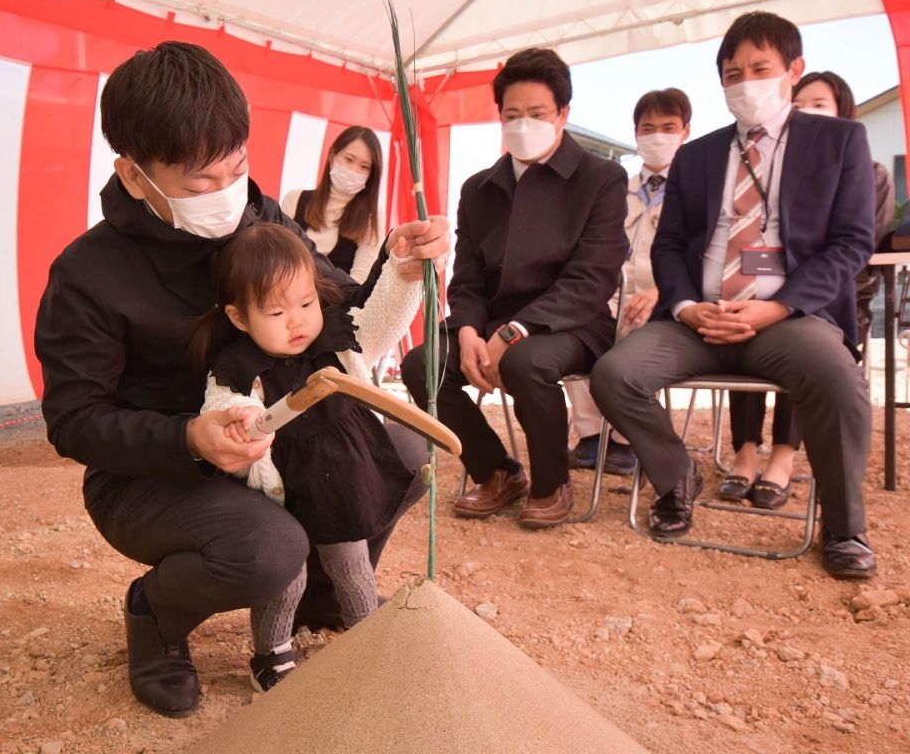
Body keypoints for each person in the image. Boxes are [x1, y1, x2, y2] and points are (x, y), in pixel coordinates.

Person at [34, 41, 449, 718]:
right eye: (200, 181)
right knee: (268, 547)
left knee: (400, 455)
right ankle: (157, 616)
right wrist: (190, 438)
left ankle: (316, 593)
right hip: (153, 476)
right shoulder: (88, 275)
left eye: (237, 167)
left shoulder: (260, 219)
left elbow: (340, 306)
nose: (225, 195)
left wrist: (401, 266)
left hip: (273, 448)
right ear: (134, 176)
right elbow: (75, 421)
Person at [590, 12, 878, 579]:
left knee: (839, 378)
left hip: (789, 318)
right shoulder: (697, 155)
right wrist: (686, 306)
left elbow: (851, 243)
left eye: (759, 68)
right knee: (614, 374)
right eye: (731, 72)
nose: (744, 81)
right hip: (698, 318)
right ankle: (676, 479)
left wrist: (778, 306)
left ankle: (844, 527)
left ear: (793, 70)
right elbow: (670, 245)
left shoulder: (839, 139)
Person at [403, 47, 628, 528]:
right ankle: (496, 471)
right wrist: (465, 329)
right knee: (420, 364)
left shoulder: (602, 178)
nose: (523, 124)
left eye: (537, 114)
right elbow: (466, 278)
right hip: (488, 321)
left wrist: (514, 332)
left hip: (572, 322)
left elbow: (592, 277)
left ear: (563, 114)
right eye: (512, 115)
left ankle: (552, 482)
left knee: (528, 362)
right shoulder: (479, 187)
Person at [195, 223, 421, 692]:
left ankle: (368, 639)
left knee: (354, 565)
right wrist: (242, 418)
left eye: (305, 304)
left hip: (341, 484)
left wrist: (404, 272)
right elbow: (224, 407)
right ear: (240, 318)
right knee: (287, 579)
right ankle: (271, 653)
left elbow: (383, 315)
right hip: (284, 496)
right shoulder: (239, 368)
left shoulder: (336, 340)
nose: (297, 321)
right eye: (276, 311)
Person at [721, 70, 896, 509]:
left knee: (804, 345)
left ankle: (783, 454)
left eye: (821, 104)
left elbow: (852, 246)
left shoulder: (871, 174)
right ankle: (744, 451)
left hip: (836, 301)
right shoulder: (767, 167)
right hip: (765, 290)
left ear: (843, 114)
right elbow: (753, 244)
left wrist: (790, 285)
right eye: (799, 104)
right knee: (744, 321)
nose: (807, 112)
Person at [566, 88, 692, 476]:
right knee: (573, 325)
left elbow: (701, 254)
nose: (657, 136)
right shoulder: (615, 187)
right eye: (648, 127)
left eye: (668, 127)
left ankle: (626, 440)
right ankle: (589, 434)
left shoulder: (696, 189)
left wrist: (661, 293)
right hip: (610, 291)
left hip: (667, 297)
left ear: (686, 132)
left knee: (638, 330)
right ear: (635, 134)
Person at [280, 126, 384, 283]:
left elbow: (360, 281)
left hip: (337, 304)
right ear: (332, 156)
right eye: (348, 159)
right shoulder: (294, 199)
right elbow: (275, 258)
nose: (353, 171)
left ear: (371, 175)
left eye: (364, 167)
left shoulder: (371, 216)